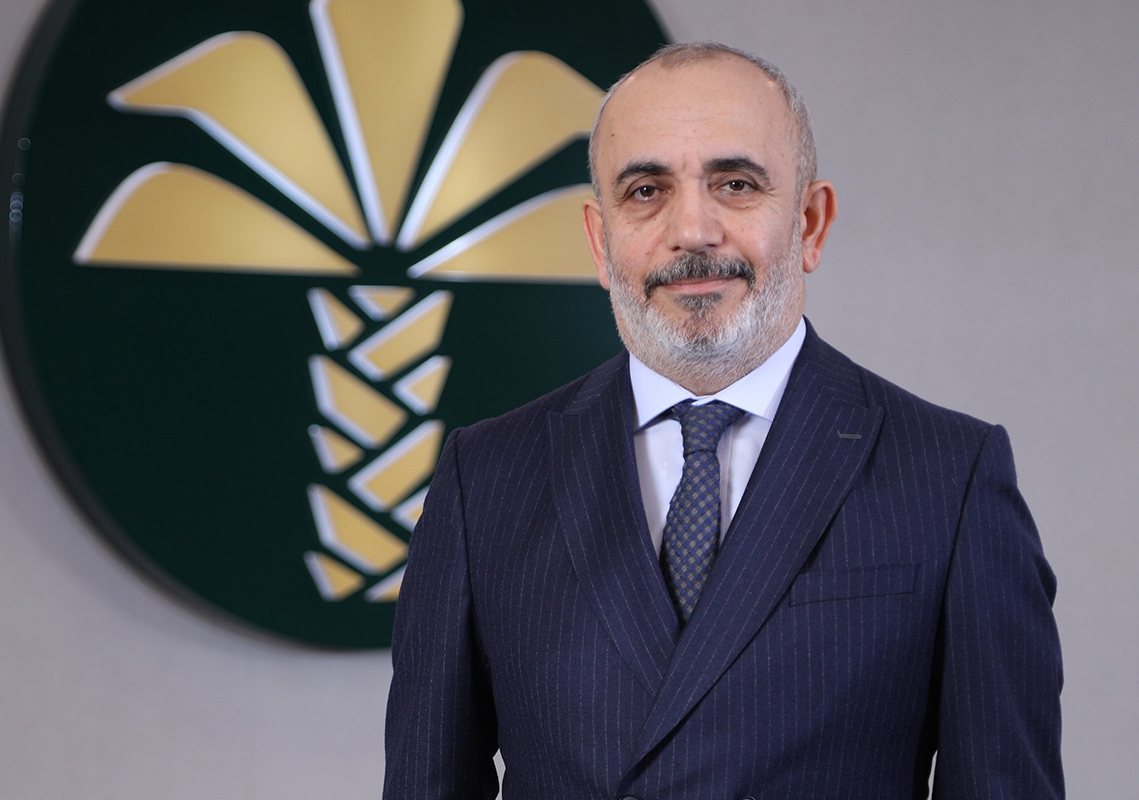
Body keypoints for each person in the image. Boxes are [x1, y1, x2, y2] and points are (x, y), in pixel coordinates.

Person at [383, 42, 1063, 800]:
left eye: (735, 184)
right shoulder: (484, 482)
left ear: (810, 222)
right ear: (600, 242)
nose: (693, 230)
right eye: (646, 191)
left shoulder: (949, 477)